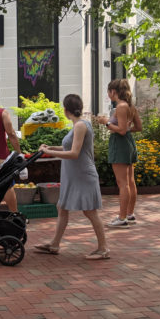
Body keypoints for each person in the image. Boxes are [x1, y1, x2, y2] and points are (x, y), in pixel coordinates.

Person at [34, 94, 109, 260]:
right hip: (73, 175)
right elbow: (69, 146)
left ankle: (103, 249)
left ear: (66, 110)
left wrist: (48, 152)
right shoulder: (77, 125)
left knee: (90, 211)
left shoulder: (81, 126)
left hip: (82, 174)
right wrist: (52, 147)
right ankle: (54, 244)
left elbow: (74, 153)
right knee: (62, 207)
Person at [96, 78, 142, 227]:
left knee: (122, 183)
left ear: (113, 92)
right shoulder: (130, 106)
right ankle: (129, 214)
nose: (108, 94)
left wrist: (106, 123)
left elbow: (121, 131)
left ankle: (122, 218)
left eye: (108, 91)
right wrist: (125, 128)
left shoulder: (120, 107)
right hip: (128, 143)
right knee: (130, 181)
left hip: (120, 144)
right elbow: (138, 127)